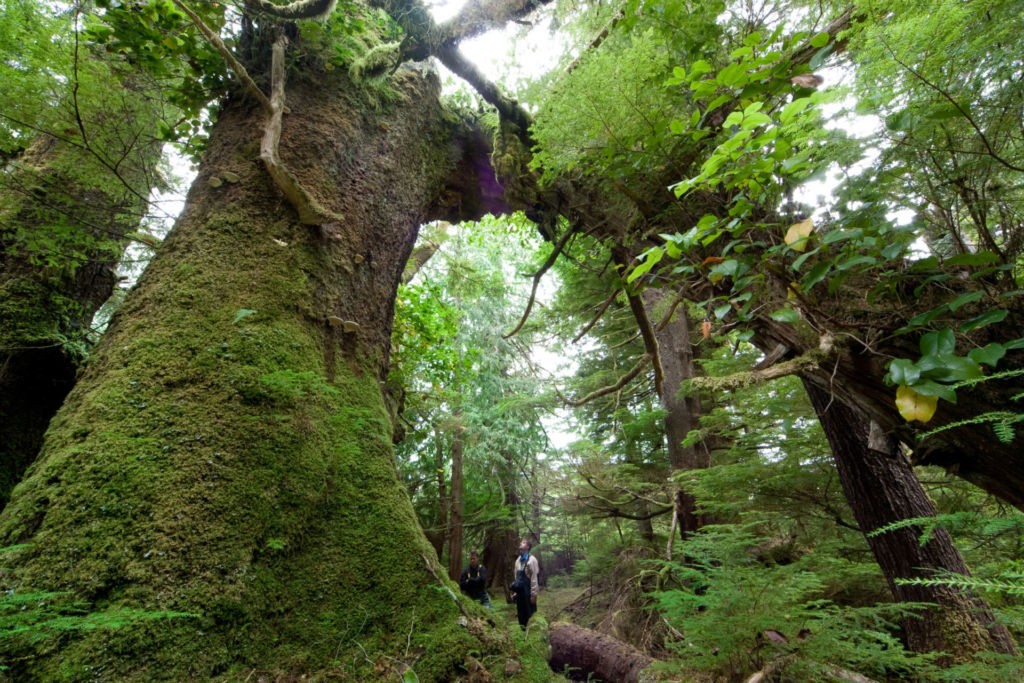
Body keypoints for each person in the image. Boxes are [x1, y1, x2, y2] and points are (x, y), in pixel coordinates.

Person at [510, 538, 539, 628]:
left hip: (528, 593)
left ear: (528, 547)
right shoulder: (518, 560)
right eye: (521, 542)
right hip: (520, 594)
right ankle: (522, 631)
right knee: (521, 614)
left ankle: (532, 633)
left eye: (523, 543)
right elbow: (516, 578)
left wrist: (534, 595)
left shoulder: (532, 560)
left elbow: (534, 578)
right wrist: (515, 592)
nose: (521, 544)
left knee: (530, 614)